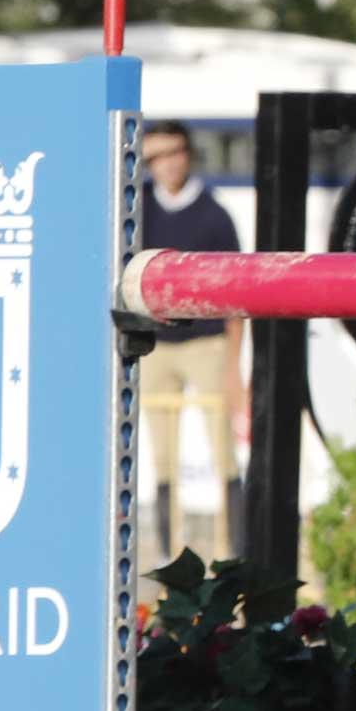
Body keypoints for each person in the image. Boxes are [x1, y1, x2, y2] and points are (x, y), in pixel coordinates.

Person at [133, 121, 244, 564]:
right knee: (162, 455)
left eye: (173, 152)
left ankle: (234, 551)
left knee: (224, 453)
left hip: (206, 342)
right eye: (154, 157)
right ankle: (165, 554)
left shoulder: (214, 214)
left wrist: (235, 364)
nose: (166, 164)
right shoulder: (138, 209)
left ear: (188, 154)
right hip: (156, 343)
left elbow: (237, 292)